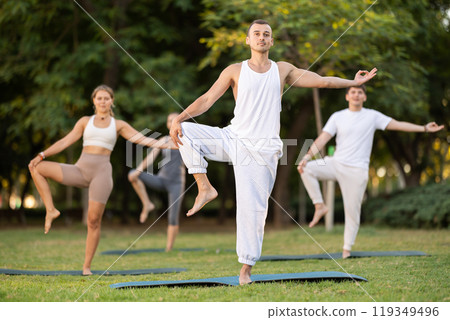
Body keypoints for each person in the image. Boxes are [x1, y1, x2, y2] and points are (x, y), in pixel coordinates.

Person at [169, 19, 377, 284]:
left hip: (262, 149)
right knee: (184, 130)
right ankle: (204, 187)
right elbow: (207, 100)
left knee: (252, 209)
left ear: (272, 41)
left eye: (266, 34)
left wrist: (351, 81)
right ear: (248, 40)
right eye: (256, 34)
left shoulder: (282, 70)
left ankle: (245, 268)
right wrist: (178, 118)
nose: (261, 37)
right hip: (233, 137)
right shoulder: (234, 70)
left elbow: (322, 81)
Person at [28, 84, 173, 275]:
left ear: (112, 100)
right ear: (94, 101)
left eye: (106, 98)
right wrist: (42, 154)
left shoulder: (118, 125)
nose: (103, 101)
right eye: (99, 98)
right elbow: (65, 141)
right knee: (36, 167)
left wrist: (167, 144)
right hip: (80, 170)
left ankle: (86, 266)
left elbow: (141, 139)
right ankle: (51, 209)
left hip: (101, 174)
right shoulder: (84, 122)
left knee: (93, 221)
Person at [297, 85, 444, 259]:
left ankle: (346, 250)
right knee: (305, 168)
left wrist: (424, 128)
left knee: (352, 211)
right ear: (347, 97)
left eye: (360, 92)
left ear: (364, 97)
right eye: (353, 92)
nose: (356, 95)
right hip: (336, 163)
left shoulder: (372, 116)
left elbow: (397, 124)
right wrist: (306, 157)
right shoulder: (338, 117)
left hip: (357, 171)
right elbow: (323, 138)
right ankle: (319, 205)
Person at [128, 112, 186, 252]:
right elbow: (150, 158)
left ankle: (168, 248)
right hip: (161, 179)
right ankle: (147, 204)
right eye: (169, 120)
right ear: (167, 124)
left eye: (175, 120)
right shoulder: (163, 140)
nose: (172, 122)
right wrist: (138, 170)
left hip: (176, 184)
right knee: (132, 175)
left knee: (173, 217)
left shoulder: (186, 140)